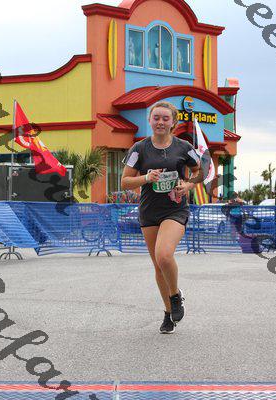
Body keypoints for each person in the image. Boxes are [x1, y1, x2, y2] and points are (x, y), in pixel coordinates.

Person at [121, 101, 203, 334]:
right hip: (149, 211)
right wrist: (146, 178)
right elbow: (125, 182)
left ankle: (175, 296)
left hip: (175, 209)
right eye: (156, 117)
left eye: (165, 118)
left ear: (173, 122)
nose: (160, 122)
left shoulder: (183, 147)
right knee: (158, 267)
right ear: (149, 120)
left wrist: (187, 185)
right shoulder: (139, 149)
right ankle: (169, 313)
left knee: (164, 255)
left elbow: (200, 172)